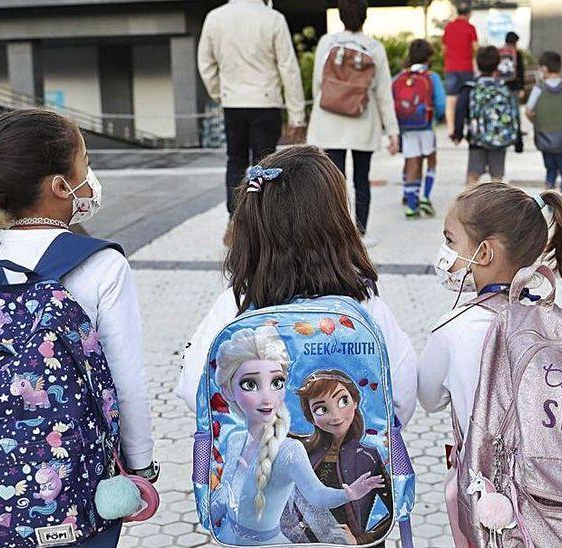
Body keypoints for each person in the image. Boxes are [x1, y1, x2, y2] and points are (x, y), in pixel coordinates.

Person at [0, 108, 157, 547]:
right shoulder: (100, 264)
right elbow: (126, 381)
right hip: (71, 482)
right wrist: (141, 465)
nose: (90, 177)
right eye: (85, 165)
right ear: (58, 186)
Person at [417, 182, 562, 545]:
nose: (445, 252)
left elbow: (428, 398)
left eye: (451, 240)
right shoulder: (551, 318)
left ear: (485, 252)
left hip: (488, 497)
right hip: (554, 496)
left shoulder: (453, 329)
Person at [177, 145, 417, 431]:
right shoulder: (365, 306)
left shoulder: (235, 303)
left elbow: (194, 388)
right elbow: (403, 397)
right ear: (337, 223)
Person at [208, 326, 384, 544]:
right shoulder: (235, 440)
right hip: (227, 538)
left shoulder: (289, 450)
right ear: (227, 390)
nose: (267, 398)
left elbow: (316, 495)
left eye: (276, 383)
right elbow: (226, 497)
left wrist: (347, 494)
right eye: (250, 384)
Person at [198, 0, 306, 214]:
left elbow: (205, 63)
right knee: (266, 165)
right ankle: (264, 219)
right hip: (266, 101)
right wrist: (297, 115)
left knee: (235, 161)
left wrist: (220, 94)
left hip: (233, 102)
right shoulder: (273, 18)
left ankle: (235, 218)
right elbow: (288, 69)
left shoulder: (215, 17)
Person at [308, 0, 399, 247]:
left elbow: (318, 82)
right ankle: (360, 234)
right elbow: (383, 94)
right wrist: (393, 131)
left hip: (329, 122)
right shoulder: (374, 47)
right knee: (362, 180)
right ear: (365, 17)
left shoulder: (327, 43)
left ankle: (335, 235)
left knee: (333, 182)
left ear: (340, 16)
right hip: (363, 121)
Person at [294, 370, 395, 545]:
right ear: (310, 416)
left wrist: (361, 539)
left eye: (343, 401)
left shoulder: (368, 457)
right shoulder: (304, 451)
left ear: (355, 401)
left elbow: (395, 509)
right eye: (321, 409)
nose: (335, 416)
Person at [394, 39, 447, 218]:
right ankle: (425, 196)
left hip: (407, 127)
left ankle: (411, 204)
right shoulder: (432, 77)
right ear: (428, 57)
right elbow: (440, 104)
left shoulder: (401, 77)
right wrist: (437, 117)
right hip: (426, 126)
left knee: (412, 162)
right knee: (430, 160)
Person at [451, 46, 519, 185]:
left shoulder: (471, 87)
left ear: (477, 63)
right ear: (497, 64)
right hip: (499, 139)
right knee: (497, 179)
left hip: (477, 139)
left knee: (473, 175)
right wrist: (518, 139)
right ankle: (497, 205)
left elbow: (460, 110)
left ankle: (470, 205)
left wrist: (457, 133)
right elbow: (514, 112)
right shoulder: (503, 87)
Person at [525, 51, 562, 193]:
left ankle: (550, 203)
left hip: (545, 139)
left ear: (544, 69)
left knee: (550, 171)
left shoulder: (538, 89)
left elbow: (528, 111)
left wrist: (536, 121)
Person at [441, 0, 479, 133]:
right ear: (469, 13)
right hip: (466, 68)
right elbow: (476, 49)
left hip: (451, 68)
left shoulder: (448, 27)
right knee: (468, 97)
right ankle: (467, 126)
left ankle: (451, 129)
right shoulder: (470, 28)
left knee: (451, 99)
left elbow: (443, 48)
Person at [498, 31, 527, 153]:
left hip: (501, 86)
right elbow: (521, 71)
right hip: (514, 87)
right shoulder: (517, 53)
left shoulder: (500, 52)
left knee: (503, 112)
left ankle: (502, 139)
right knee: (515, 114)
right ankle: (518, 143)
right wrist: (522, 87)